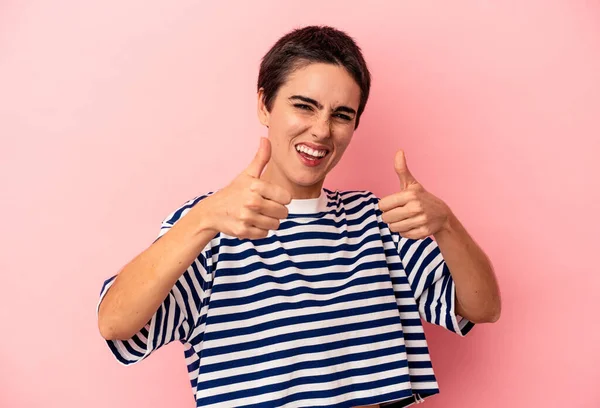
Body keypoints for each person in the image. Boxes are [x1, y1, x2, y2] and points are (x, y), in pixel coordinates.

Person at [97, 25, 501, 408]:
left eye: (341, 115)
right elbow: (116, 325)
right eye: (304, 106)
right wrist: (202, 220)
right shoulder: (212, 225)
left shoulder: (377, 224)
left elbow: (482, 308)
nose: (321, 131)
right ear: (264, 104)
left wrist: (446, 224)